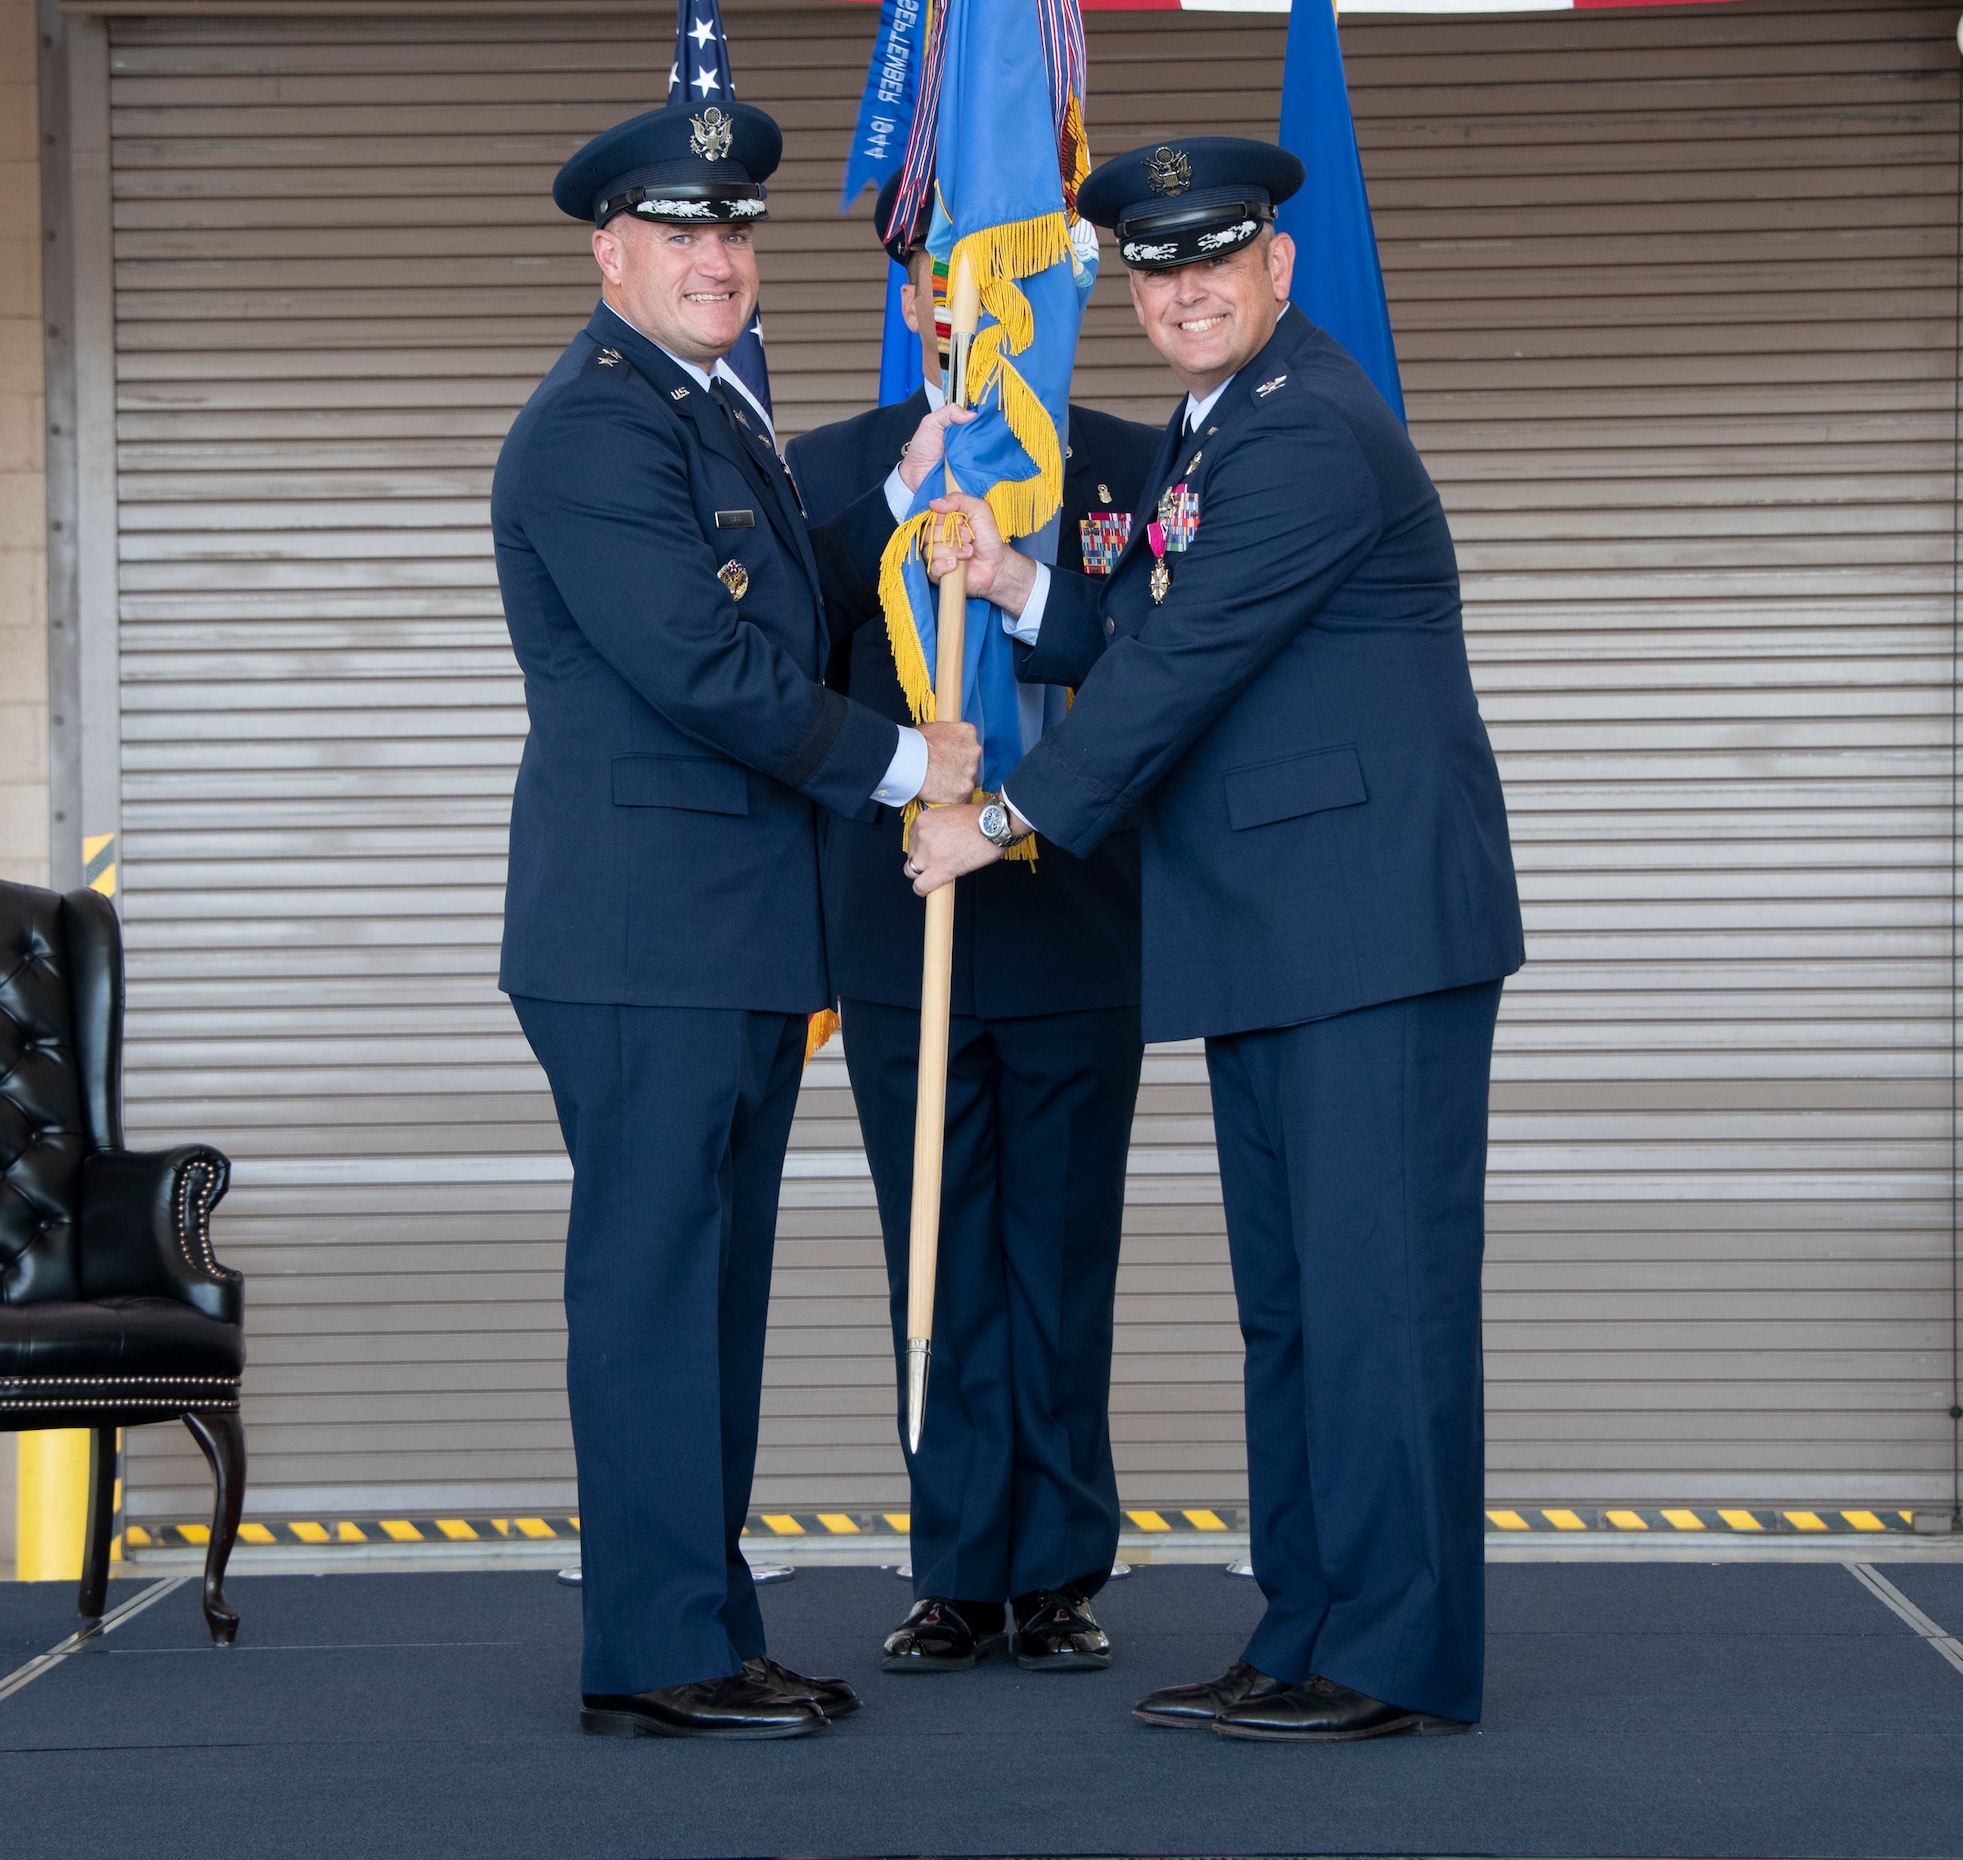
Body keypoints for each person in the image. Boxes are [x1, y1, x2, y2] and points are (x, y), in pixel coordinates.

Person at [907, 137, 1525, 1742]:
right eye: (1154, 269)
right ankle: (1310, 1626)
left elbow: (1177, 677)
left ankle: (1389, 1656)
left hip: (1366, 931)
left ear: (1278, 269)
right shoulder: (1223, 428)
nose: (1184, 290)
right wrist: (1016, 576)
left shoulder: (1308, 429)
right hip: (1284, 933)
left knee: (1374, 1298)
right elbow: (1143, 625)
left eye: (1214, 262)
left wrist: (1006, 816)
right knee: (1302, 1304)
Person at [491, 102, 980, 1741]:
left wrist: (895, 494)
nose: (720, 257)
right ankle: (654, 1654)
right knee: (654, 1293)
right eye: (683, 232)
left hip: (729, 939)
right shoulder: (595, 428)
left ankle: (702, 1624)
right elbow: (701, 672)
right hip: (646, 942)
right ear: (609, 250)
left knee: (709, 1296)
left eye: (736, 232)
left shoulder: (706, 413)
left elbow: (771, 604)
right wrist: (913, 762)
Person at [784, 175, 1161, 1674]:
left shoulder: (1123, 469)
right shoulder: (831, 470)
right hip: (902, 929)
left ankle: (1060, 1569)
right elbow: (778, 669)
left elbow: (1151, 671)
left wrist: (1022, 577)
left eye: (995, 290)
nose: (968, 316)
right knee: (932, 1254)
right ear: (908, 299)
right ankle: (955, 1568)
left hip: (1069, 921)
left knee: (1061, 1262)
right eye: (941, 289)